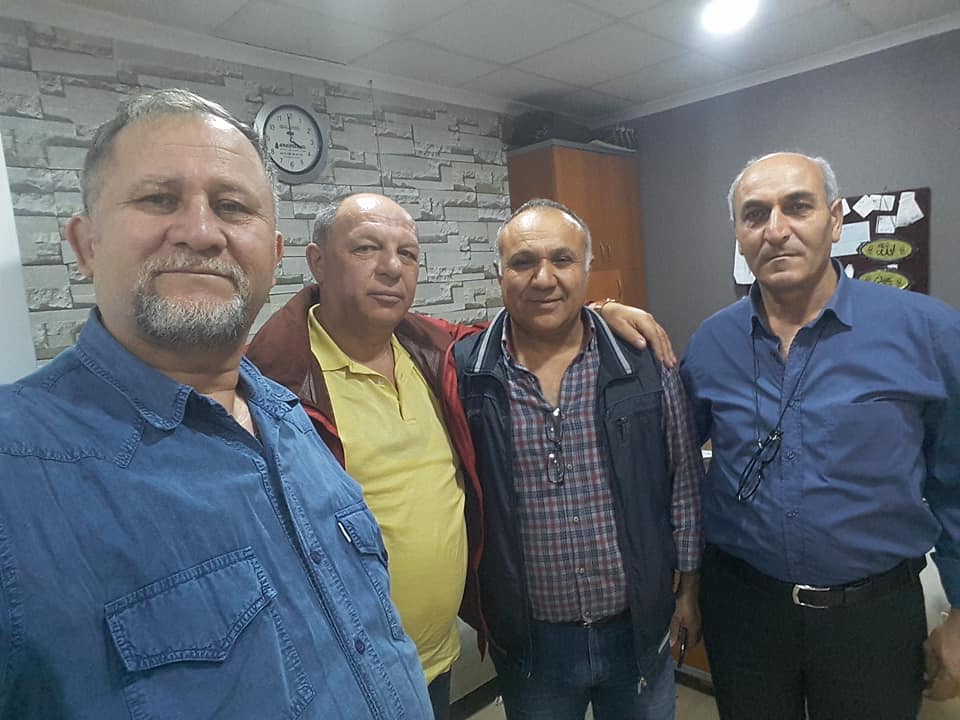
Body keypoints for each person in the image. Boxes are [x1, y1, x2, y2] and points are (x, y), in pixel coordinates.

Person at [0, 89, 432, 718]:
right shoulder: (15, 471)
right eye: (158, 199)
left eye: (231, 207)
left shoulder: (288, 419)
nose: (202, 233)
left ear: (274, 257)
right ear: (86, 244)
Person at [246, 192, 675, 719]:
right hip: (341, 670)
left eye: (407, 253)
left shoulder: (435, 354)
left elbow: (535, 322)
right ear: (316, 261)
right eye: (366, 248)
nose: (391, 267)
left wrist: (600, 313)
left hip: (435, 657)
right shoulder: (270, 385)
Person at [680, 152, 960, 718]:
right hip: (745, 613)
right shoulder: (710, 343)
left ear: (834, 221)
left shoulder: (929, 332)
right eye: (755, 214)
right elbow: (677, 469)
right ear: (738, 234)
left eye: (798, 207)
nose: (775, 229)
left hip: (873, 620)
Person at [454, 198, 704, 720]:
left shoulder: (642, 360)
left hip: (637, 630)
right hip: (531, 642)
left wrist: (688, 589)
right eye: (523, 262)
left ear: (587, 269)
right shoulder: (466, 372)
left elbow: (683, 477)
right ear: (499, 274)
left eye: (562, 260)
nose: (543, 278)